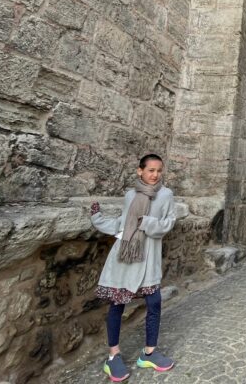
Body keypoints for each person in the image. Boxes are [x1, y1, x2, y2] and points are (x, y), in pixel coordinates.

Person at [90, 153, 178, 381]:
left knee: (154, 302)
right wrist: (98, 219)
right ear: (140, 171)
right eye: (151, 170)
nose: (155, 175)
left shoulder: (166, 195)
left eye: (159, 171)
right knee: (117, 304)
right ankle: (113, 356)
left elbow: (168, 223)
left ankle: (149, 352)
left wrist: (147, 222)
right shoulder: (130, 195)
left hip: (148, 258)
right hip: (125, 257)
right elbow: (122, 223)